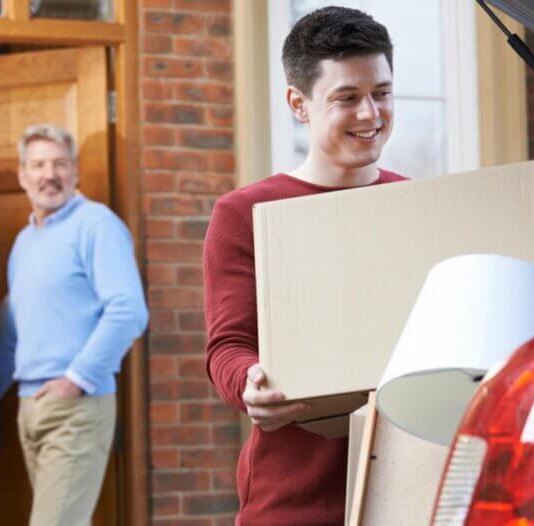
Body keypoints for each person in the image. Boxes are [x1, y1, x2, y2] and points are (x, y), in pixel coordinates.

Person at [203, 6, 408, 525]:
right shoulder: (245, 212)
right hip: (296, 496)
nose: (370, 114)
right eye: (346, 98)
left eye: (381, 93)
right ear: (299, 103)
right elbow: (228, 345)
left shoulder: (417, 206)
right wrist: (250, 382)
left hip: (411, 488)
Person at [0, 123, 148, 526]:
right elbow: (13, 333)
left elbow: (129, 311)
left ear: (75, 171)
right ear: (23, 175)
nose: (50, 174)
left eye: (60, 163)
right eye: (39, 165)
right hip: (30, 407)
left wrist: (75, 380)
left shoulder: (97, 225)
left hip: (76, 405)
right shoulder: (24, 243)